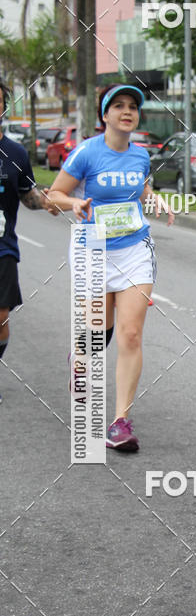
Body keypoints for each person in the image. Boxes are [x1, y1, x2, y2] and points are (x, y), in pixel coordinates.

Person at [48, 84, 173, 451]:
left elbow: (140, 188)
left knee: (131, 334)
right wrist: (73, 203)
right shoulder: (87, 153)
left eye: (132, 106)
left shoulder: (140, 155)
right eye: (118, 105)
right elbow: (53, 195)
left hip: (134, 249)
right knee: (96, 333)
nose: (127, 111)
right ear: (105, 115)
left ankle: (120, 422)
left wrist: (155, 199)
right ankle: (81, 356)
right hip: (93, 249)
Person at [0, 79, 58, 404]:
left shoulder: (16, 153)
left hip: (3, 248)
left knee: (1, 319)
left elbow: (28, 196)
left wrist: (49, 201)